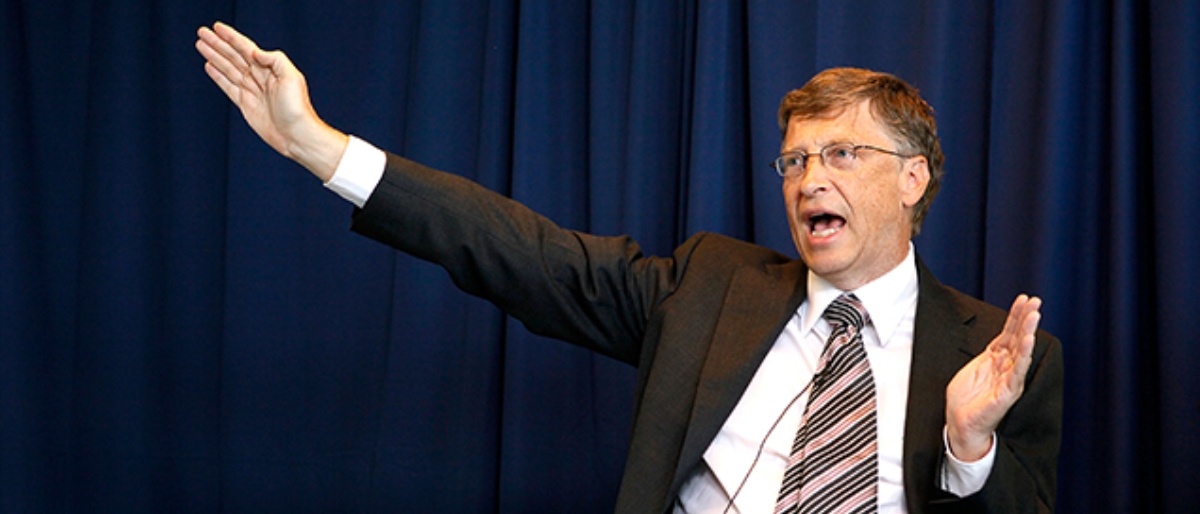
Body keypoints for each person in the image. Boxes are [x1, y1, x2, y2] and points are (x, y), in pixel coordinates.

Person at [195, 21, 1062, 514]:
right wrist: (322, 148)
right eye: (795, 161)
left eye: (841, 154)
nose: (810, 182)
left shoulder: (995, 353)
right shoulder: (711, 285)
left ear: (913, 178)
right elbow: (523, 254)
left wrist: (968, 444)